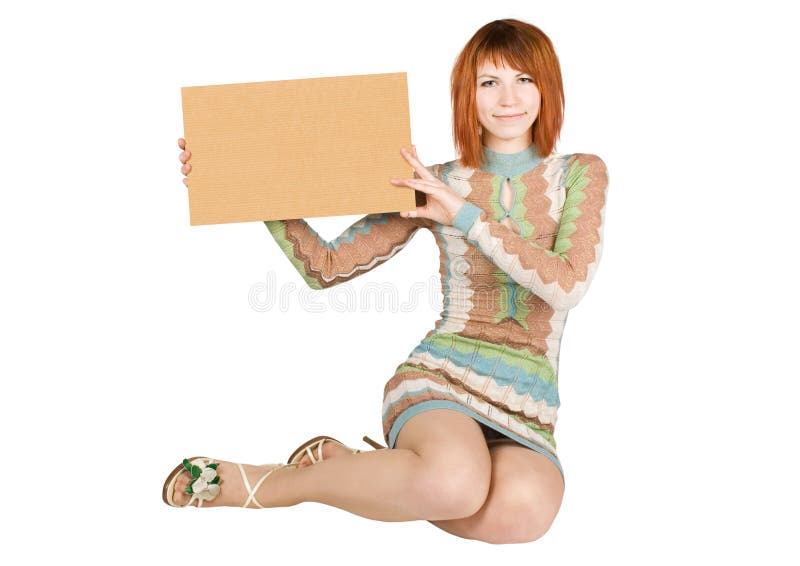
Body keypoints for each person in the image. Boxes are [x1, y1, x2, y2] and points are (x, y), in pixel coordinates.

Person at [163, 18, 609, 545]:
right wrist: (243, 177)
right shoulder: (433, 182)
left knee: (523, 515)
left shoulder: (581, 171)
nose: (508, 97)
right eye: (489, 82)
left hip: (529, 402)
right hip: (443, 376)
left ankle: (356, 469)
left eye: (524, 79)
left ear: (547, 87)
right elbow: (325, 268)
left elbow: (567, 285)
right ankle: (279, 483)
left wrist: (463, 215)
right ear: (468, 94)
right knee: (454, 484)